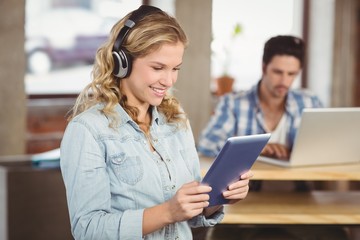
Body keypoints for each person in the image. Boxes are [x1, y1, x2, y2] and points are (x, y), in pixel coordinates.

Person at [60, 5, 253, 240]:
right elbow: (87, 229)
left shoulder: (176, 119)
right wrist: (167, 212)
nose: (168, 80)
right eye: (158, 68)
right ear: (123, 62)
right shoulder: (88, 130)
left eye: (175, 69)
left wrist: (218, 199)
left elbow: (192, 214)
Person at [198, 35, 323, 191]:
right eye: (278, 72)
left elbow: (325, 146)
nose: (284, 81)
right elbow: (206, 145)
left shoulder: (309, 102)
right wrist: (255, 148)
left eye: (292, 74)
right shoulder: (233, 103)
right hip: (247, 194)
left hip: (299, 192)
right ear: (264, 68)